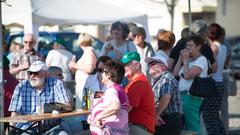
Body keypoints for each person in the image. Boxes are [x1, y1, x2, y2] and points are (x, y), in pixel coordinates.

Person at [8, 60, 71, 135]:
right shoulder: (21, 86)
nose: (32, 76)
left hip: (52, 126)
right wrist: (10, 131)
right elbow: (15, 112)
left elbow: (67, 105)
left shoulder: (56, 83)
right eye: (30, 73)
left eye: (36, 73)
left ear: (46, 73)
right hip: (27, 127)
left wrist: (47, 108)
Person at [173, 35, 209, 135]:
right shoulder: (188, 60)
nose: (188, 48)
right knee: (188, 127)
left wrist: (185, 61)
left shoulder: (202, 60)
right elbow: (175, 74)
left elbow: (188, 75)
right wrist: (180, 59)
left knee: (194, 126)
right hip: (183, 96)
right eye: (186, 45)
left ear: (198, 46)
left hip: (192, 97)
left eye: (191, 45)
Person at [88, 59, 129, 134]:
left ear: (108, 75)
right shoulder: (117, 89)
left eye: (103, 71)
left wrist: (98, 117)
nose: (101, 74)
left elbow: (115, 107)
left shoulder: (112, 90)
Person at [145, 53, 183, 135]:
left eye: (153, 63)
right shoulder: (157, 81)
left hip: (170, 120)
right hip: (163, 119)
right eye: (149, 64)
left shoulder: (166, 77)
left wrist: (155, 115)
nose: (150, 65)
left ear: (163, 66)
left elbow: (165, 97)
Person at [201, 23, 227, 135]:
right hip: (220, 82)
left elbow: (211, 66)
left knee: (209, 118)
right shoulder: (223, 46)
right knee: (215, 116)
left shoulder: (214, 48)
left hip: (213, 84)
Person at [121, 52, 155, 135]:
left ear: (136, 65)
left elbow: (126, 109)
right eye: (123, 65)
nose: (123, 67)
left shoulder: (139, 82)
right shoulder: (135, 82)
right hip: (135, 126)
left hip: (138, 128)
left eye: (126, 65)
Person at [68, 33, 97, 109]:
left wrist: (75, 65)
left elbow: (90, 68)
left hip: (86, 85)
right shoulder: (87, 51)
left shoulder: (89, 51)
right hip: (83, 84)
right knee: (82, 107)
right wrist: (74, 67)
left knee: (84, 108)